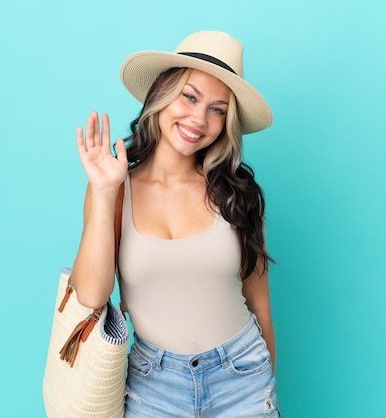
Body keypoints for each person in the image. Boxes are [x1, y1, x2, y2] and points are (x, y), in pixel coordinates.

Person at [72, 31, 279, 417]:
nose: (199, 119)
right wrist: (103, 192)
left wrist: (267, 387)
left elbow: (261, 306)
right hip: (154, 386)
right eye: (190, 97)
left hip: (243, 377)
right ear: (161, 95)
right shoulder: (115, 186)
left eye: (218, 109)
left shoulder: (238, 194)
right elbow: (91, 294)